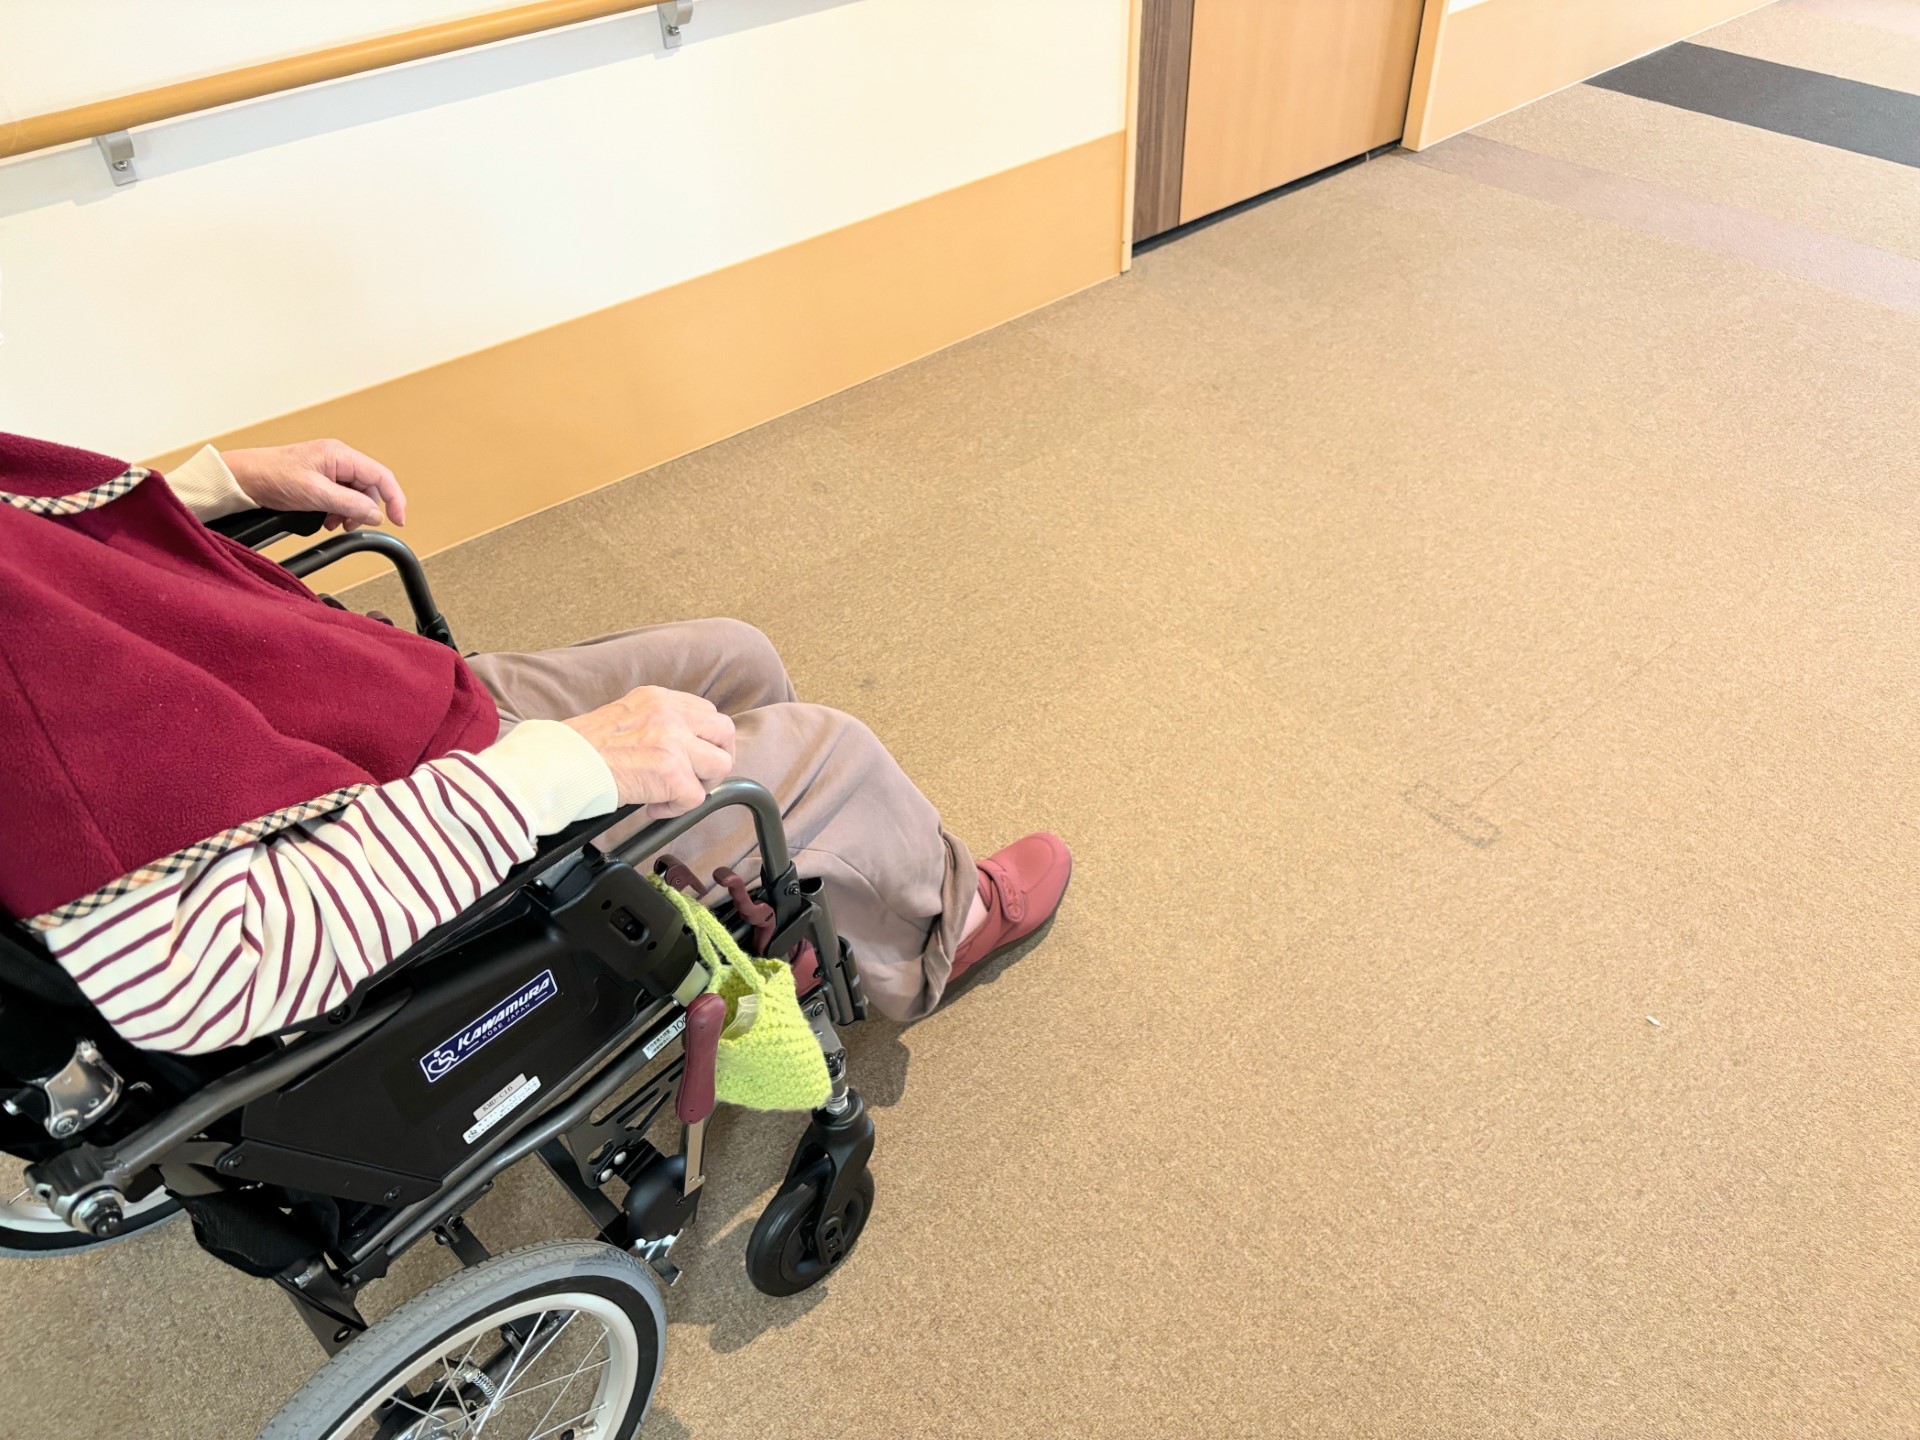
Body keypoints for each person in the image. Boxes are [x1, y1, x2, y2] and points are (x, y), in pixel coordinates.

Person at [0, 431, 1071, 1054]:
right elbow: (201, 970)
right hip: (401, 833)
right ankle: (941, 929)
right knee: (835, 750)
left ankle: (752, 910)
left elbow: (52, 544)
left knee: (734, 655)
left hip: (346, 713)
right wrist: (560, 770)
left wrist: (214, 487)